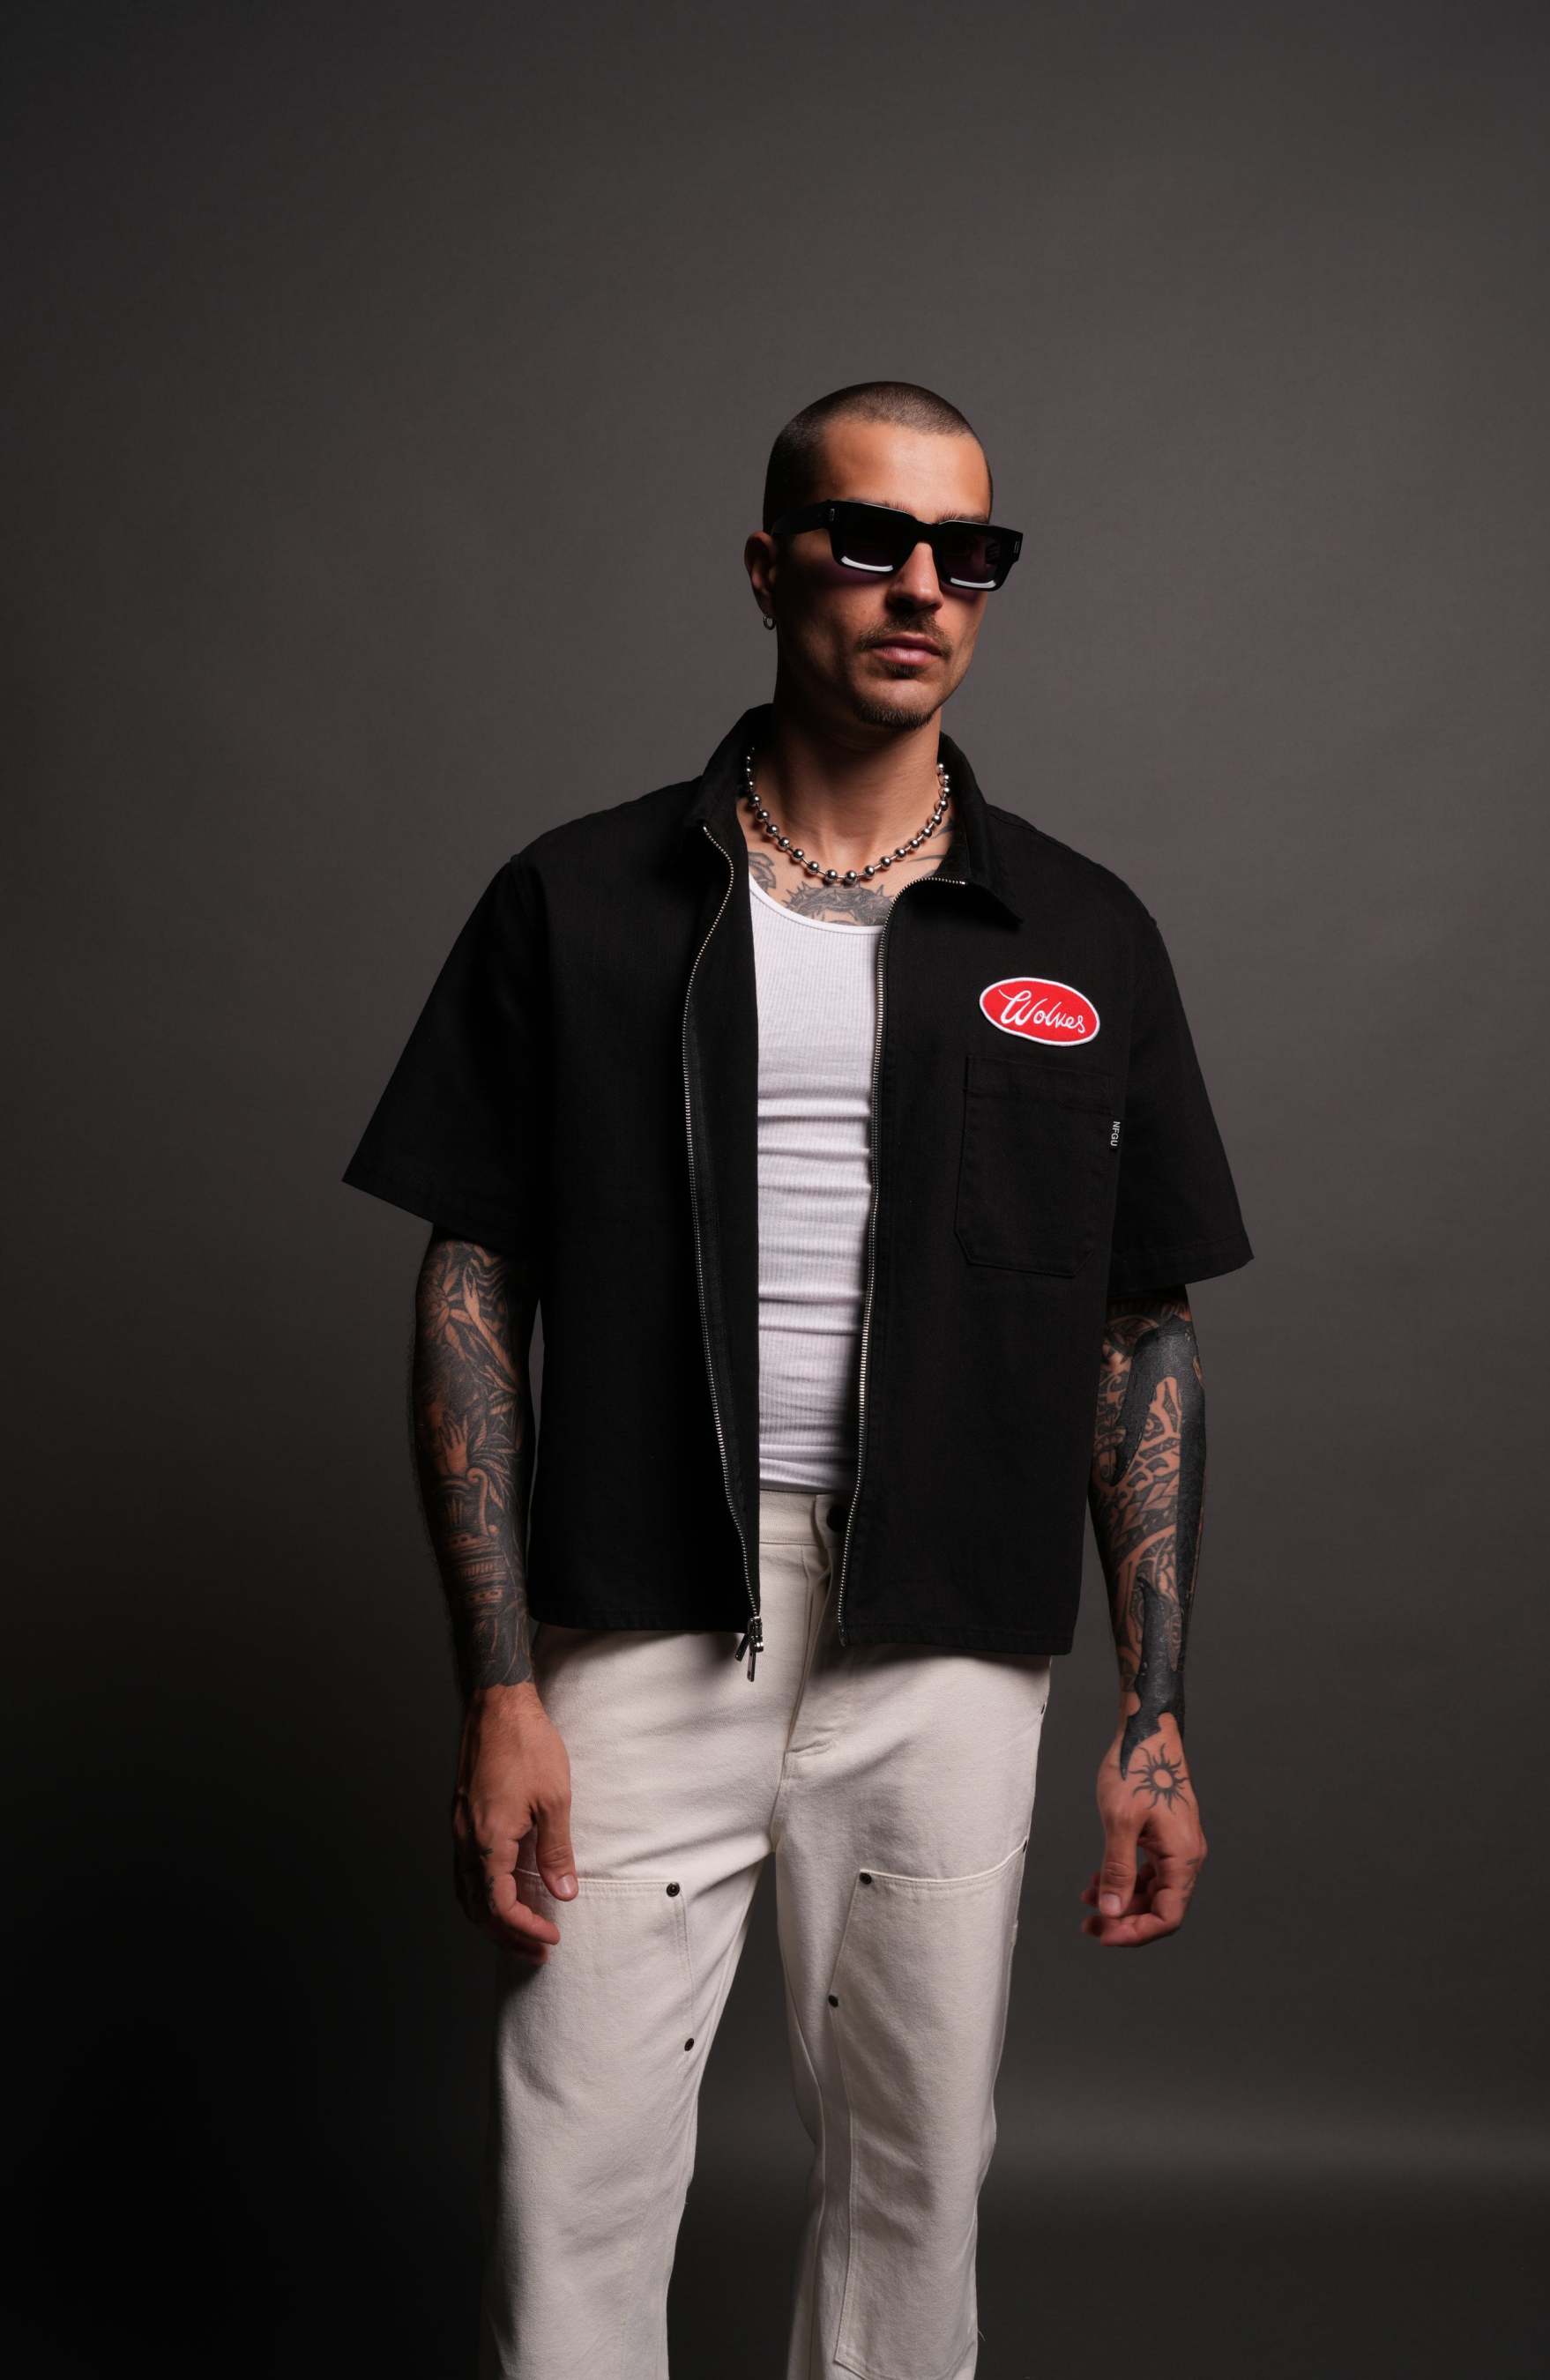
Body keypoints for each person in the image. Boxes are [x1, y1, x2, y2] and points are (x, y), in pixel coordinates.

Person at [342, 379, 1254, 2379]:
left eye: (968, 553)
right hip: (644, 1613)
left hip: (950, 1634)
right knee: (575, 2176)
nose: (921, 586)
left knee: (918, 2179)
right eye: (869, 539)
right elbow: (472, 1284)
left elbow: (1142, 1328)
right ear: (769, 568)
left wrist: (1157, 1714)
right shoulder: (577, 900)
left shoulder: (1084, 931)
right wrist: (498, 1681)